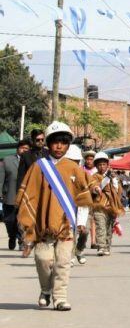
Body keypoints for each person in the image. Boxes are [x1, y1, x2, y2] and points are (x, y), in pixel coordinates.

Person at [16, 122, 93, 311]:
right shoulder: (38, 167)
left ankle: (60, 297)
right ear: (48, 144)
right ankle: (46, 290)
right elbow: (29, 197)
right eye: (55, 142)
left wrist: (83, 219)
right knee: (43, 260)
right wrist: (28, 225)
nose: (59, 146)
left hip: (66, 226)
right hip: (43, 226)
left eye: (63, 143)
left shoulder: (73, 168)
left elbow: (84, 195)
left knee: (63, 262)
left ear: (68, 145)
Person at [91, 152, 124, 257]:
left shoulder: (113, 176)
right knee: (100, 226)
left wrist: (114, 179)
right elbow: (98, 188)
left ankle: (107, 246)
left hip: (111, 206)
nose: (102, 167)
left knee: (109, 227)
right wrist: (107, 178)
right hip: (99, 205)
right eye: (99, 165)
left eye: (104, 164)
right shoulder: (94, 176)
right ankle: (101, 246)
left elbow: (117, 190)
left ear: (107, 165)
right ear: (96, 166)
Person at [0, 139, 30, 250]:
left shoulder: (32, 162)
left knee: (22, 221)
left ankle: (21, 240)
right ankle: (11, 236)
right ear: (18, 149)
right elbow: (0, 179)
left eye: (26, 148)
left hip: (25, 197)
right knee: (10, 220)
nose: (24, 150)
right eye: (22, 148)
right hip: (10, 195)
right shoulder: (7, 161)